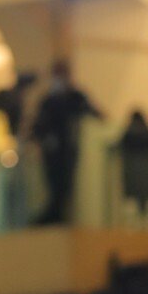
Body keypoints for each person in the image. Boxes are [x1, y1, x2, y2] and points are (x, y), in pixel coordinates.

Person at [29, 61, 103, 226]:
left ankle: (60, 216)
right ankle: (55, 216)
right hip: (53, 156)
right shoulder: (48, 101)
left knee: (66, 187)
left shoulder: (75, 98)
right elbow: (37, 128)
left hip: (69, 153)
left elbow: (97, 115)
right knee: (55, 186)